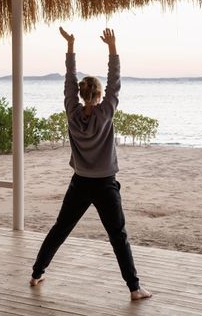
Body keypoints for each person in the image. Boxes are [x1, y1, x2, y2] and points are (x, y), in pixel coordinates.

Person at [29, 27, 152, 301]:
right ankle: (134, 288)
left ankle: (37, 273)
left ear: (82, 94)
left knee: (60, 228)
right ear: (98, 95)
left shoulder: (72, 111)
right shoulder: (106, 112)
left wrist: (71, 47)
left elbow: (69, 81)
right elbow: (115, 81)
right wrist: (112, 47)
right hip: (105, 184)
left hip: (80, 183)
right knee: (118, 236)